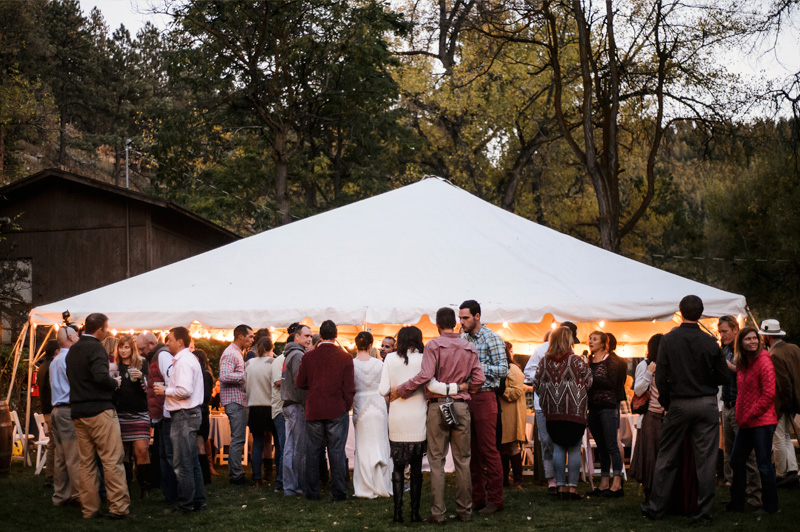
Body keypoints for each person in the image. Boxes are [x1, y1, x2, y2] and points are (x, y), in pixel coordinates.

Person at [641, 295, 728, 525]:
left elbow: (660, 375)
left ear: (680, 312)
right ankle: (704, 512)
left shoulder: (669, 339)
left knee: (667, 456)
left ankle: (656, 508)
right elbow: (723, 375)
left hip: (679, 403)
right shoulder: (711, 341)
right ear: (701, 314)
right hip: (706, 402)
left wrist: (669, 403)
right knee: (706, 460)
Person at [395, 307, 486, 524]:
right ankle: (465, 512)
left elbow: (426, 375)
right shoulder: (469, 346)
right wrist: (465, 389)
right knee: (463, 460)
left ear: (437, 325)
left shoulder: (434, 345)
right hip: (461, 407)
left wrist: (403, 389)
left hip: (438, 406)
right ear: (455, 323)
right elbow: (480, 378)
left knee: (436, 461)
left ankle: (438, 514)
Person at [66, 312, 132, 519]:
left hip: (78, 411)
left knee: (86, 463)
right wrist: (116, 383)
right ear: (100, 329)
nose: (108, 331)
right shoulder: (96, 348)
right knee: (112, 459)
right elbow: (101, 377)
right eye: (107, 328)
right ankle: (118, 508)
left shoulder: (73, 350)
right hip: (100, 410)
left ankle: (90, 509)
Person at [295, 320, 355, 501]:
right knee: (336, 451)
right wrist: (346, 405)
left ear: (319, 336)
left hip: (314, 409)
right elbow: (349, 387)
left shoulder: (308, 357)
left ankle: (312, 492)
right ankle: (339, 492)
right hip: (337, 409)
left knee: (313, 452)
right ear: (336, 335)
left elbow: (300, 383)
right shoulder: (345, 357)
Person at [459, 299, 508, 515]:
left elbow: (503, 370)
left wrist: (475, 364)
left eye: (465, 318)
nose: (461, 322)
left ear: (477, 316)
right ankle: (477, 498)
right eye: (460, 318)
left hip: (486, 396)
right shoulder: (462, 338)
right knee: (470, 451)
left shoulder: (492, 338)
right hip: (466, 397)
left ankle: (496, 500)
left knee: (489, 450)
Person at [533, 326, 593, 500]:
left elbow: (536, 385)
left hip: (553, 413)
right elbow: (589, 382)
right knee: (574, 448)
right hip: (575, 412)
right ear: (569, 340)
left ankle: (559, 488)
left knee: (558, 447)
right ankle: (572, 489)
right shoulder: (578, 361)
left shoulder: (544, 361)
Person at [726, 327, 778, 515]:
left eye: (754, 338)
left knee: (763, 464)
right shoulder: (744, 363)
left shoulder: (764, 360)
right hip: (747, 421)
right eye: (747, 339)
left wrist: (748, 415)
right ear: (741, 343)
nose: (752, 341)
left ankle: (770, 506)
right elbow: (743, 394)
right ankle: (737, 501)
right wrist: (742, 416)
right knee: (736, 460)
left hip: (762, 421)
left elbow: (768, 394)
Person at [154, 326, 206, 514]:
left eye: (169, 339)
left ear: (180, 342)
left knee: (182, 464)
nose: (167, 343)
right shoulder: (188, 359)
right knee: (192, 461)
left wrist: (164, 391)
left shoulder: (184, 361)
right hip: (189, 414)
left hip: (184, 415)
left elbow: (184, 391)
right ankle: (198, 500)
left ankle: (186, 504)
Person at [718, 316, 761, 503]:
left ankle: (755, 493)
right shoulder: (725, 350)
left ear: (736, 329)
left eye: (725, 331)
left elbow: (748, 373)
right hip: (726, 405)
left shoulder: (745, 349)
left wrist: (727, 366)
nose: (722, 335)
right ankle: (737, 490)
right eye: (720, 332)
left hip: (740, 405)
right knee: (729, 452)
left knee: (748, 453)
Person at [758, 318, 800, 487]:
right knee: (785, 437)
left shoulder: (774, 355)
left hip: (782, 404)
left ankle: (781, 474)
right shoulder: (794, 348)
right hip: (794, 401)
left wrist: (786, 405)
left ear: (767, 337)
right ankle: (792, 470)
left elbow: (783, 385)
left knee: (779, 438)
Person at [585, 330, 627, 497]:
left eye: (594, 339)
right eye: (589, 338)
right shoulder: (588, 360)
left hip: (608, 406)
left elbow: (612, 382)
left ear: (603, 344)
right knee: (601, 446)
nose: (590, 341)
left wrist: (590, 377)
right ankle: (603, 483)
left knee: (611, 445)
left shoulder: (612, 360)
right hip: (593, 407)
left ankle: (617, 484)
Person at [351, 331, 392, 499]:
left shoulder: (351, 364)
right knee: (380, 444)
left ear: (356, 345)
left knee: (363, 445)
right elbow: (386, 388)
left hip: (360, 406)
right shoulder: (380, 364)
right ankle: (381, 483)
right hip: (379, 405)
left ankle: (365, 485)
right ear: (370, 346)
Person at [114, 334, 151, 499]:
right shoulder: (115, 367)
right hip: (121, 413)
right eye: (121, 347)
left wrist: (141, 378)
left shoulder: (142, 363)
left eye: (126, 347)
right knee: (124, 452)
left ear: (132, 348)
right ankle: (127, 485)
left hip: (140, 412)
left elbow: (148, 390)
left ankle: (145, 487)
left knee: (142, 450)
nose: (123, 350)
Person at [49, 325, 81, 507]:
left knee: (61, 456)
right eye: (75, 334)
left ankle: (60, 495)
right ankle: (78, 495)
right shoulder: (69, 359)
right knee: (73, 455)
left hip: (56, 410)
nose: (78, 336)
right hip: (68, 410)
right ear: (70, 336)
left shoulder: (55, 360)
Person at [630, 334, 663, 504]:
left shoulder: (668, 365)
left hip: (666, 416)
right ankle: (649, 493)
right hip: (651, 416)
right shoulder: (645, 365)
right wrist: (649, 373)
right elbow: (638, 390)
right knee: (650, 455)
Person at [140, 331, 174, 498]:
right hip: (161, 412)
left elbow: (171, 380)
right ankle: (168, 492)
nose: (140, 352)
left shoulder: (162, 356)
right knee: (163, 453)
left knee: (167, 455)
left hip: (165, 412)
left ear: (151, 345)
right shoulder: (154, 357)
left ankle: (172, 494)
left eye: (141, 348)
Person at [219, 324, 254, 485]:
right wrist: (244, 375)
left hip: (239, 400)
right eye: (250, 336)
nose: (252, 339)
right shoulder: (231, 353)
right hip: (234, 401)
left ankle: (236, 473)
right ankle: (236, 475)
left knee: (239, 439)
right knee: (237, 439)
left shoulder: (238, 353)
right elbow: (224, 376)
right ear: (240, 336)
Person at [282, 323, 313, 495]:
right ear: (297, 337)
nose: (309, 339)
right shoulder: (298, 355)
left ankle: (290, 486)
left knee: (290, 446)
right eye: (306, 336)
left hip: (289, 404)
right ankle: (295, 486)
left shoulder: (291, 353)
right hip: (296, 405)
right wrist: (305, 403)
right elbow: (299, 383)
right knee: (297, 449)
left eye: (311, 336)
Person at [245, 337, 278, 487]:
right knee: (276, 442)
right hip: (270, 406)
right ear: (270, 348)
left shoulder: (249, 363)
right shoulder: (272, 364)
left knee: (257, 443)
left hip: (254, 406)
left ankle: (256, 477)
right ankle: (276, 476)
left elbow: (245, 384)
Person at [499, 341, 530, 489]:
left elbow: (517, 390)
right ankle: (504, 478)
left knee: (511, 445)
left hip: (512, 412)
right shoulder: (500, 368)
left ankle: (518, 480)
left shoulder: (513, 369)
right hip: (502, 412)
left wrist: (500, 391)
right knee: (502, 446)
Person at [38, 339, 58, 488]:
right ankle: (54, 477)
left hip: (46, 409)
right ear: (57, 352)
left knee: (52, 444)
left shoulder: (43, 366)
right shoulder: (52, 366)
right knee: (57, 444)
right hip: (52, 409)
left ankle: (50, 477)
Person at [193, 349, 214, 483]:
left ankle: (205, 477)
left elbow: (206, 396)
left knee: (200, 444)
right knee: (198, 444)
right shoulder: (201, 374)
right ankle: (202, 476)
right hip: (200, 411)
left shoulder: (205, 374)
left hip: (202, 412)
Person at [271, 342, 286, 493]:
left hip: (287, 408)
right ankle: (280, 483)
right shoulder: (279, 360)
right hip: (280, 409)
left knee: (283, 446)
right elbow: (277, 381)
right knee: (283, 446)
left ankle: (282, 480)